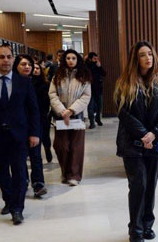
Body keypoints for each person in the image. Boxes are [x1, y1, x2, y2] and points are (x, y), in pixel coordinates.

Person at [114, 41, 158, 242]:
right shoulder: (125, 83)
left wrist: (154, 134)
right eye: (142, 54)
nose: (148, 58)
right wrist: (143, 134)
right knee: (138, 185)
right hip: (132, 143)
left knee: (151, 185)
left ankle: (147, 225)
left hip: (156, 142)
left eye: (150, 53)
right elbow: (123, 113)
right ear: (135, 59)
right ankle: (136, 230)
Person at [0, 45, 41, 225]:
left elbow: (33, 110)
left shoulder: (24, 82)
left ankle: (17, 208)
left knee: (19, 171)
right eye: (2, 57)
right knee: (2, 171)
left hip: (19, 134)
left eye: (9, 57)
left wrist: (35, 133)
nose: (6, 60)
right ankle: (8, 200)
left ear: (13, 59)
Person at [50, 49, 91, 186]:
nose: (71, 61)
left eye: (74, 58)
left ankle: (74, 175)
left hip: (77, 116)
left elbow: (86, 96)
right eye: (68, 58)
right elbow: (52, 95)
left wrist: (71, 110)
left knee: (76, 147)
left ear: (77, 60)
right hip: (60, 116)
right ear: (64, 60)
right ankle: (65, 172)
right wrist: (62, 111)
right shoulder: (57, 76)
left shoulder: (84, 76)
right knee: (61, 146)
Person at [14, 55, 48, 198]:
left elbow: (42, 106)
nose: (27, 67)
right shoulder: (12, 83)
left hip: (35, 123)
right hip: (18, 125)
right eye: (23, 64)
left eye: (29, 64)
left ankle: (38, 183)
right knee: (20, 156)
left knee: (35, 155)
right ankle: (22, 182)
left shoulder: (38, 83)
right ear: (16, 66)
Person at [32, 61, 53, 163]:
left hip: (43, 113)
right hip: (32, 114)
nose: (35, 70)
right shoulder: (28, 83)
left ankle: (47, 149)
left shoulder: (46, 84)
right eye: (34, 68)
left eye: (37, 68)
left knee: (45, 135)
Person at [85, 52, 107, 129]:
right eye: (94, 58)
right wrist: (85, 61)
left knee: (100, 105)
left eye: (97, 58)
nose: (96, 60)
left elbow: (104, 74)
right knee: (90, 106)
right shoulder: (86, 66)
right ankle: (92, 122)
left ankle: (98, 118)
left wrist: (100, 67)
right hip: (89, 89)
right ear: (90, 59)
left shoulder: (98, 65)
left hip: (98, 88)